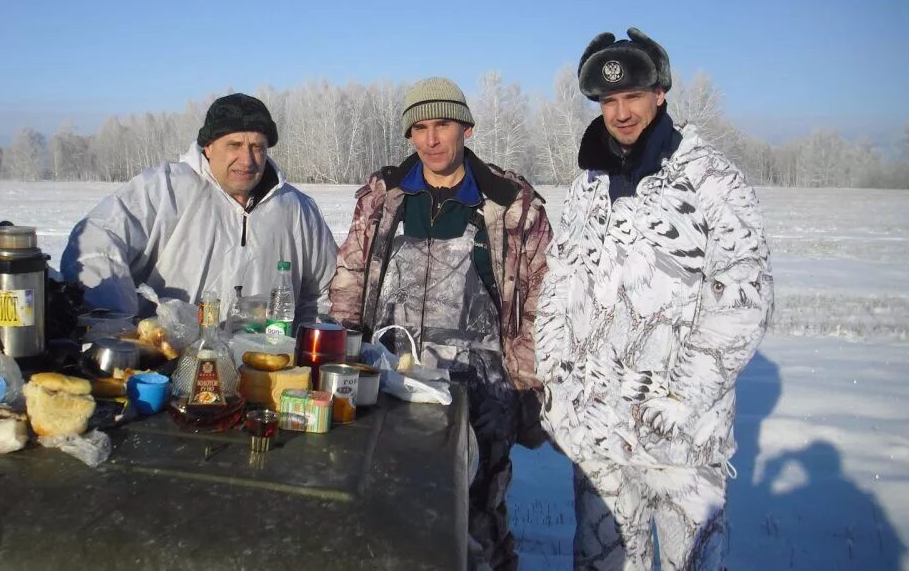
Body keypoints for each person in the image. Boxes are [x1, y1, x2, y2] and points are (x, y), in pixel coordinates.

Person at [534, 28, 774, 570]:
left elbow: (742, 302)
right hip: (599, 435)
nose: (620, 113)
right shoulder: (587, 187)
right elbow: (559, 284)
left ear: (659, 94)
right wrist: (556, 378)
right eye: (609, 101)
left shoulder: (713, 181)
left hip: (683, 441)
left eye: (633, 97)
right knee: (603, 563)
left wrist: (682, 400)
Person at [329, 77, 552, 570]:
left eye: (442, 125)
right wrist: (341, 355)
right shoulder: (385, 195)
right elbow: (350, 278)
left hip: (480, 390)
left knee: (478, 513)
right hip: (389, 378)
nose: (430, 140)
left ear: (466, 129)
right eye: (420, 128)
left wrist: (527, 385)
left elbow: (540, 299)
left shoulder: (509, 203)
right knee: (386, 501)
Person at [61, 93, 337, 320]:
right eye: (234, 145)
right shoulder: (166, 189)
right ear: (207, 147)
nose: (247, 160)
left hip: (262, 370)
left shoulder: (297, 209)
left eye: (257, 147)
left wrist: (309, 347)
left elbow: (325, 292)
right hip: (167, 364)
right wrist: (117, 320)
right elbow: (95, 242)